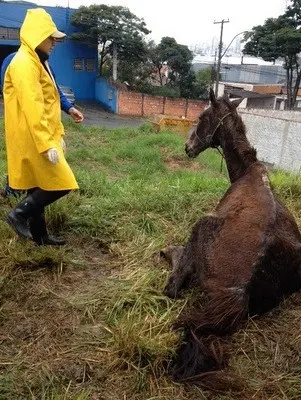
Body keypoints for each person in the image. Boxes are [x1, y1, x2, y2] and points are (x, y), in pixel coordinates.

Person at [3, 8, 84, 246]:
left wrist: (64, 116)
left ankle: (40, 237)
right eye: (52, 37)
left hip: (39, 134)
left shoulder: (38, 60)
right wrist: (47, 142)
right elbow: (33, 106)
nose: (55, 43)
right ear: (38, 36)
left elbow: (51, 94)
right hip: (33, 137)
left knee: (38, 186)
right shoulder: (23, 64)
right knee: (62, 183)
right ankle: (18, 214)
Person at [1, 51, 83, 198]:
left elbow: (55, 91)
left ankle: (29, 214)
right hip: (28, 124)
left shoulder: (44, 63)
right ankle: (16, 203)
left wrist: (69, 108)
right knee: (28, 164)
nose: (54, 43)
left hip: (45, 124)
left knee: (38, 172)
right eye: (51, 38)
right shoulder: (17, 61)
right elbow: (22, 98)